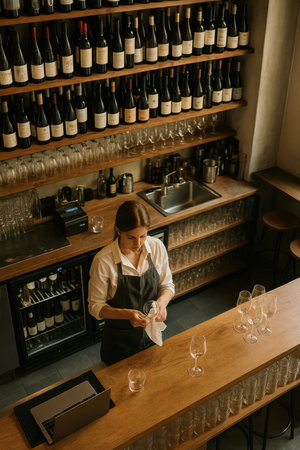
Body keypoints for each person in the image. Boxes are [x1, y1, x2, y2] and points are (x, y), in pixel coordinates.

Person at [88, 200, 174, 366]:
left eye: (143, 236)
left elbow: (167, 285)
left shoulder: (157, 248)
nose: (138, 244)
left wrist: (162, 304)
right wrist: (127, 314)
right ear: (118, 230)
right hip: (119, 344)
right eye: (131, 237)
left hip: (151, 337)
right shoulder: (103, 261)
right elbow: (95, 307)